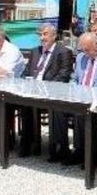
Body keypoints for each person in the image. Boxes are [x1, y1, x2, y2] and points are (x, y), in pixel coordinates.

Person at [54, 32, 97, 166]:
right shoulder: (81, 57)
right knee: (58, 108)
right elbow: (74, 78)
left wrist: (93, 96)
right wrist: (73, 91)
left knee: (85, 113)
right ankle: (64, 149)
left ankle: (92, 154)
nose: (84, 53)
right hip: (80, 98)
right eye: (82, 49)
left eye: (87, 49)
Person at [19, 24, 73, 157]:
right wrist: (26, 81)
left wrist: (43, 88)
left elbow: (63, 76)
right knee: (25, 104)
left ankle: (59, 147)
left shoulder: (64, 52)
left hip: (51, 92)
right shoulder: (35, 51)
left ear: (54, 36)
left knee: (56, 108)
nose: (42, 38)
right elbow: (26, 72)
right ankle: (28, 143)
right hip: (32, 91)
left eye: (45, 34)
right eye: (40, 35)